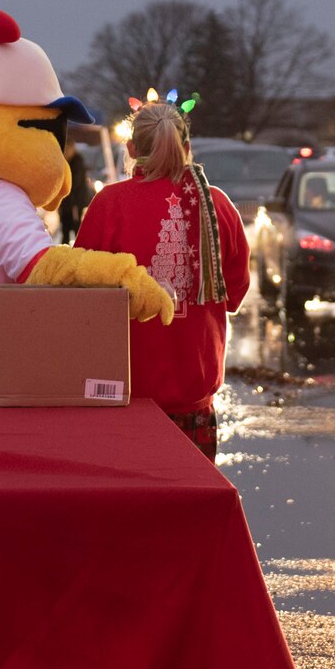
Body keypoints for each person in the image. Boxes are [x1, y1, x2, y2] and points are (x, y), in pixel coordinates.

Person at [74, 102, 250, 459]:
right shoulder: (216, 205)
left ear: (131, 150)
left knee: (128, 510)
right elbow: (235, 293)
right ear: (187, 148)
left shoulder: (109, 204)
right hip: (194, 399)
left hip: (123, 396)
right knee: (191, 510)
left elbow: (80, 296)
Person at [57, 140, 91, 243]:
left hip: (75, 202)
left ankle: (78, 250)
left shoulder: (76, 161)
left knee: (77, 228)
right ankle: (65, 251)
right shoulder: (65, 161)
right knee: (65, 229)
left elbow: (75, 182)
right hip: (66, 201)